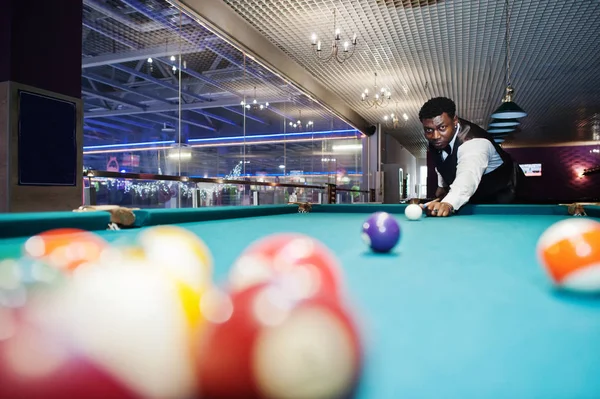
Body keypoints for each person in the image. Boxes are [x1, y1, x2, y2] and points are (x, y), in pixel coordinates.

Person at [419, 97, 525, 217]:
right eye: (429, 130)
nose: (435, 136)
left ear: (455, 121)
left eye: (442, 127)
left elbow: (468, 175)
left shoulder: (474, 143)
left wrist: (448, 202)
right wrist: (441, 185)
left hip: (507, 196)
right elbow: (441, 161)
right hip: (477, 195)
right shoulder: (437, 139)